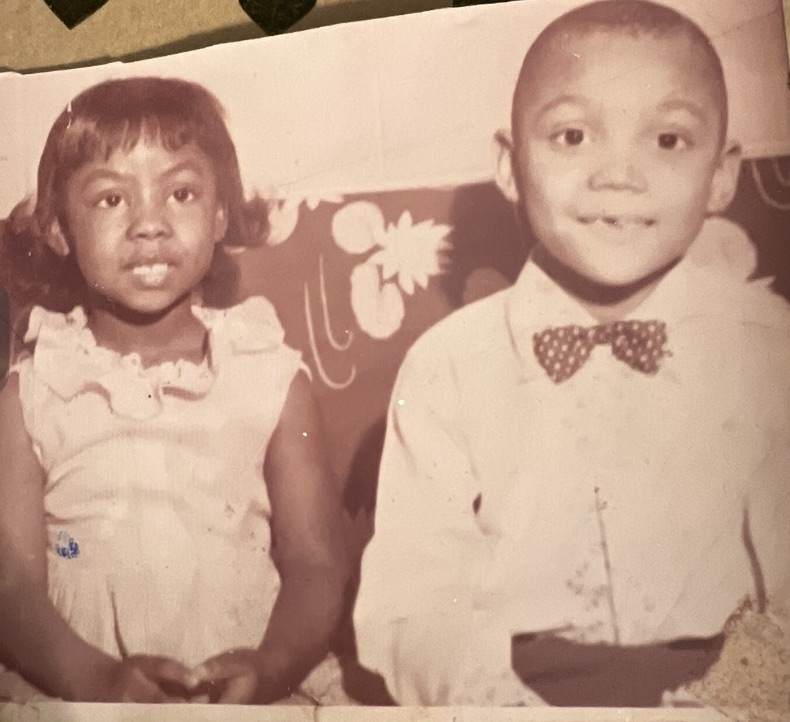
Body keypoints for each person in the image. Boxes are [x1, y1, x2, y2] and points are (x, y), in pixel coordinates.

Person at [353, 0, 790, 707]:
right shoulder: (448, 367)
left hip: (726, 690)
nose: (619, 174)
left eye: (669, 141)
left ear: (722, 175)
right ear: (509, 163)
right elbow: (413, 603)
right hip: (509, 691)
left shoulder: (770, 347)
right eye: (574, 135)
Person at [0, 76, 352, 704]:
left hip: (248, 689)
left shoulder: (267, 374)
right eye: (111, 200)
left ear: (219, 215)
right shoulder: (35, 388)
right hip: (77, 690)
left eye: (180, 193)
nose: (149, 225)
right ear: (57, 229)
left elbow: (318, 564)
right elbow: (11, 584)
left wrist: (272, 667)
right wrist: (96, 681)